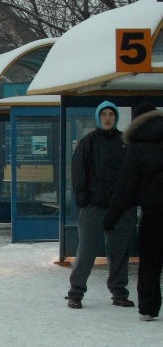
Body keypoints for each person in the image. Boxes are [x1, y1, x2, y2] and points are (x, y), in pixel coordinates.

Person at [66, 100, 136, 309]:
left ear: (116, 117)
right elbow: (78, 173)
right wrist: (84, 201)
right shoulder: (88, 142)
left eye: (111, 114)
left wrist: (129, 201)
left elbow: (133, 174)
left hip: (121, 208)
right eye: (104, 114)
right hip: (94, 207)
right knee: (86, 250)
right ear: (98, 117)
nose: (107, 118)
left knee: (119, 252)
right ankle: (75, 293)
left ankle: (119, 293)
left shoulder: (125, 142)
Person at [103, 103, 163, 321]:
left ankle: (148, 309)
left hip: (153, 214)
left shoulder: (137, 148)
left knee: (150, 262)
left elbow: (125, 188)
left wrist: (110, 219)